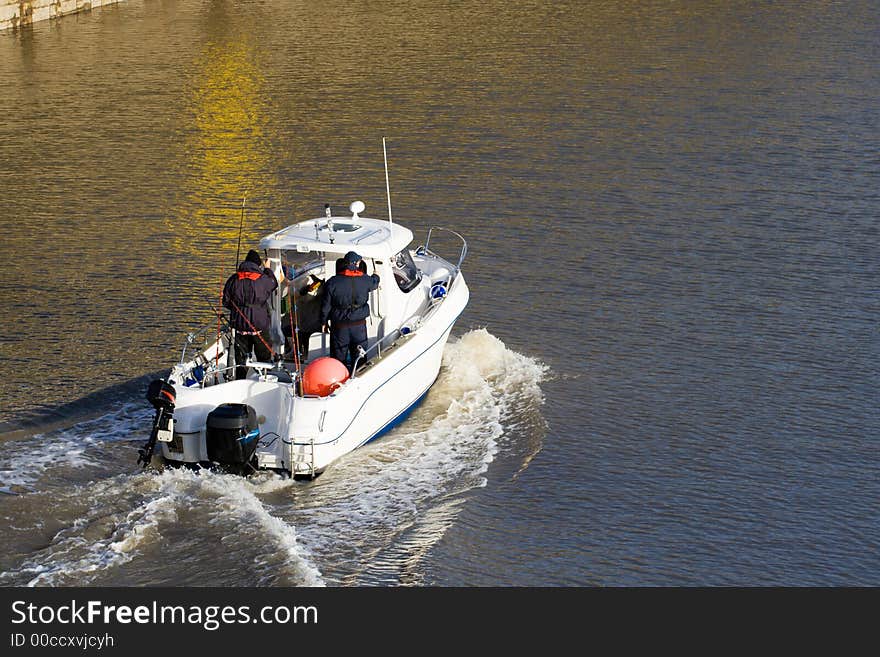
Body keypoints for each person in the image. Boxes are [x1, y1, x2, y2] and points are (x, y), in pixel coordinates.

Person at [223, 249, 278, 379]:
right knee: (263, 358)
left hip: (240, 325)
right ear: (258, 265)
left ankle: (240, 380)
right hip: (259, 326)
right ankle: (264, 379)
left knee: (241, 360)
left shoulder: (234, 279)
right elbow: (273, 283)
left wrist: (237, 310)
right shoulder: (263, 279)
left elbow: (226, 301)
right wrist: (268, 269)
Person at [320, 250, 380, 369]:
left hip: (339, 327)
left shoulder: (332, 282)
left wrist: (323, 322)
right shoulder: (366, 279)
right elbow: (375, 283)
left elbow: (326, 306)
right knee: (360, 356)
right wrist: (376, 275)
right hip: (359, 327)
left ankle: (339, 378)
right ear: (357, 264)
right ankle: (358, 377)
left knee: (338, 358)